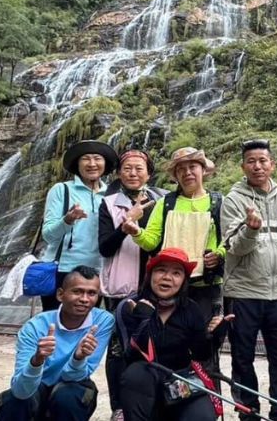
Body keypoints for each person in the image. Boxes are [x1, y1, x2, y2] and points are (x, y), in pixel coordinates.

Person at [121, 147, 226, 379]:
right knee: (163, 341)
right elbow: (151, 242)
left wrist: (218, 254)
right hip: (169, 287)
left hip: (205, 287)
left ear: (203, 171)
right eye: (181, 169)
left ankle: (206, 401)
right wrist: (135, 231)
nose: (187, 173)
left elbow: (227, 241)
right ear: (175, 176)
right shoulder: (166, 203)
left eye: (192, 167)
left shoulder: (218, 202)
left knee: (206, 346)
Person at [220, 139, 277, 421]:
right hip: (243, 293)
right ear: (243, 166)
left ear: (272, 165)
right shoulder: (233, 200)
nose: (257, 166)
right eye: (251, 162)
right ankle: (249, 413)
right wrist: (251, 230)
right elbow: (233, 247)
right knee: (242, 359)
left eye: (263, 161)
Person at [118, 247, 230, 421]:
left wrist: (216, 334)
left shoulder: (191, 309)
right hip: (142, 382)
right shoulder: (130, 306)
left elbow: (202, 354)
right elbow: (129, 355)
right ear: (150, 275)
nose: (167, 277)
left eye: (176, 273)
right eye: (161, 270)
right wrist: (144, 321)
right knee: (136, 375)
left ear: (184, 280)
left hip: (179, 378)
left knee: (202, 416)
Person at [97, 149, 167, 421]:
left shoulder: (160, 200)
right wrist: (126, 225)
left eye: (140, 168)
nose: (133, 173)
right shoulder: (109, 203)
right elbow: (104, 247)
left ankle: (151, 404)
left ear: (149, 173)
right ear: (118, 173)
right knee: (117, 350)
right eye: (128, 168)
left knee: (153, 344)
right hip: (119, 287)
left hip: (154, 286)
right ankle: (120, 406)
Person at [0, 266, 114, 421]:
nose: (85, 299)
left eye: (91, 293)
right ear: (60, 294)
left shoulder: (103, 322)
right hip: (36, 387)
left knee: (68, 397)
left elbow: (78, 376)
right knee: (13, 401)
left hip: (73, 386)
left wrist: (78, 359)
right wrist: (36, 361)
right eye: (77, 291)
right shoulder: (35, 326)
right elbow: (21, 390)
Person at [41, 140, 118, 311]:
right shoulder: (61, 190)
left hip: (97, 271)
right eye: (86, 159)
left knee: (86, 324)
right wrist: (67, 220)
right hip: (63, 269)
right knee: (55, 322)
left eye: (97, 158)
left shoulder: (112, 195)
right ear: (77, 164)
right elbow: (47, 235)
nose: (92, 164)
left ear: (105, 164)